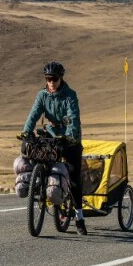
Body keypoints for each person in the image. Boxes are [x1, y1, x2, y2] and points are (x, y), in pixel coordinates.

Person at [22, 61, 88, 235]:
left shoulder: (69, 95)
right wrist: (26, 132)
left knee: (73, 177)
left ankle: (79, 218)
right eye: (48, 78)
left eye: (55, 78)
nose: (51, 82)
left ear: (61, 78)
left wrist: (69, 135)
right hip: (51, 135)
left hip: (69, 138)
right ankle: (42, 185)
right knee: (39, 157)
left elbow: (73, 117)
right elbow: (33, 114)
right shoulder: (42, 95)